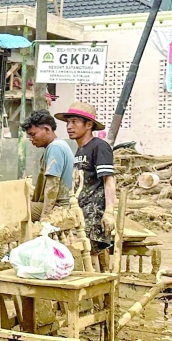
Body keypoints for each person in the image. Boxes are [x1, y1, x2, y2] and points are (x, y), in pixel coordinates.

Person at [56, 101, 117, 254]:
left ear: (89, 124)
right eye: (68, 122)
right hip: (80, 215)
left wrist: (109, 212)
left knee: (78, 255)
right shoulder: (80, 150)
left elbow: (108, 179)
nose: (69, 126)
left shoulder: (99, 146)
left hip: (93, 219)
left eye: (75, 122)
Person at [22, 110, 73, 220]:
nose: (31, 139)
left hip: (59, 207)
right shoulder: (57, 145)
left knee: (13, 209)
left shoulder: (55, 148)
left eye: (33, 134)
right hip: (60, 204)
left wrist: (45, 218)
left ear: (47, 129)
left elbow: (52, 186)